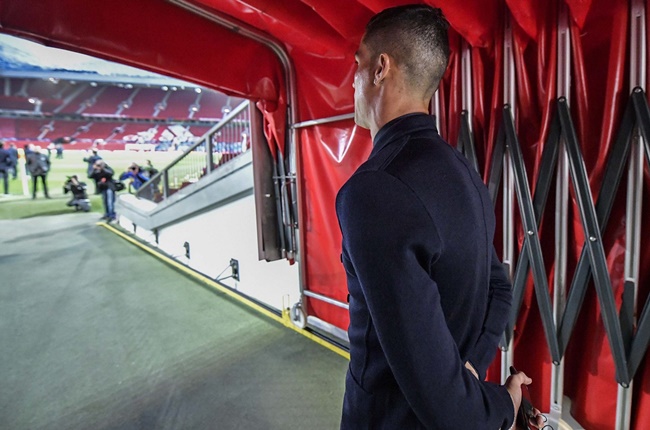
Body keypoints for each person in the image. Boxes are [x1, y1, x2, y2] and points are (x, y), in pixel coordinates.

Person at [336, 5, 544, 429]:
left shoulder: (373, 191)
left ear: (380, 69)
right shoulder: (464, 173)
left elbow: (445, 406)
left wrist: (503, 404)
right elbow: (499, 289)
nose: (352, 79)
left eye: (358, 65)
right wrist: (471, 365)